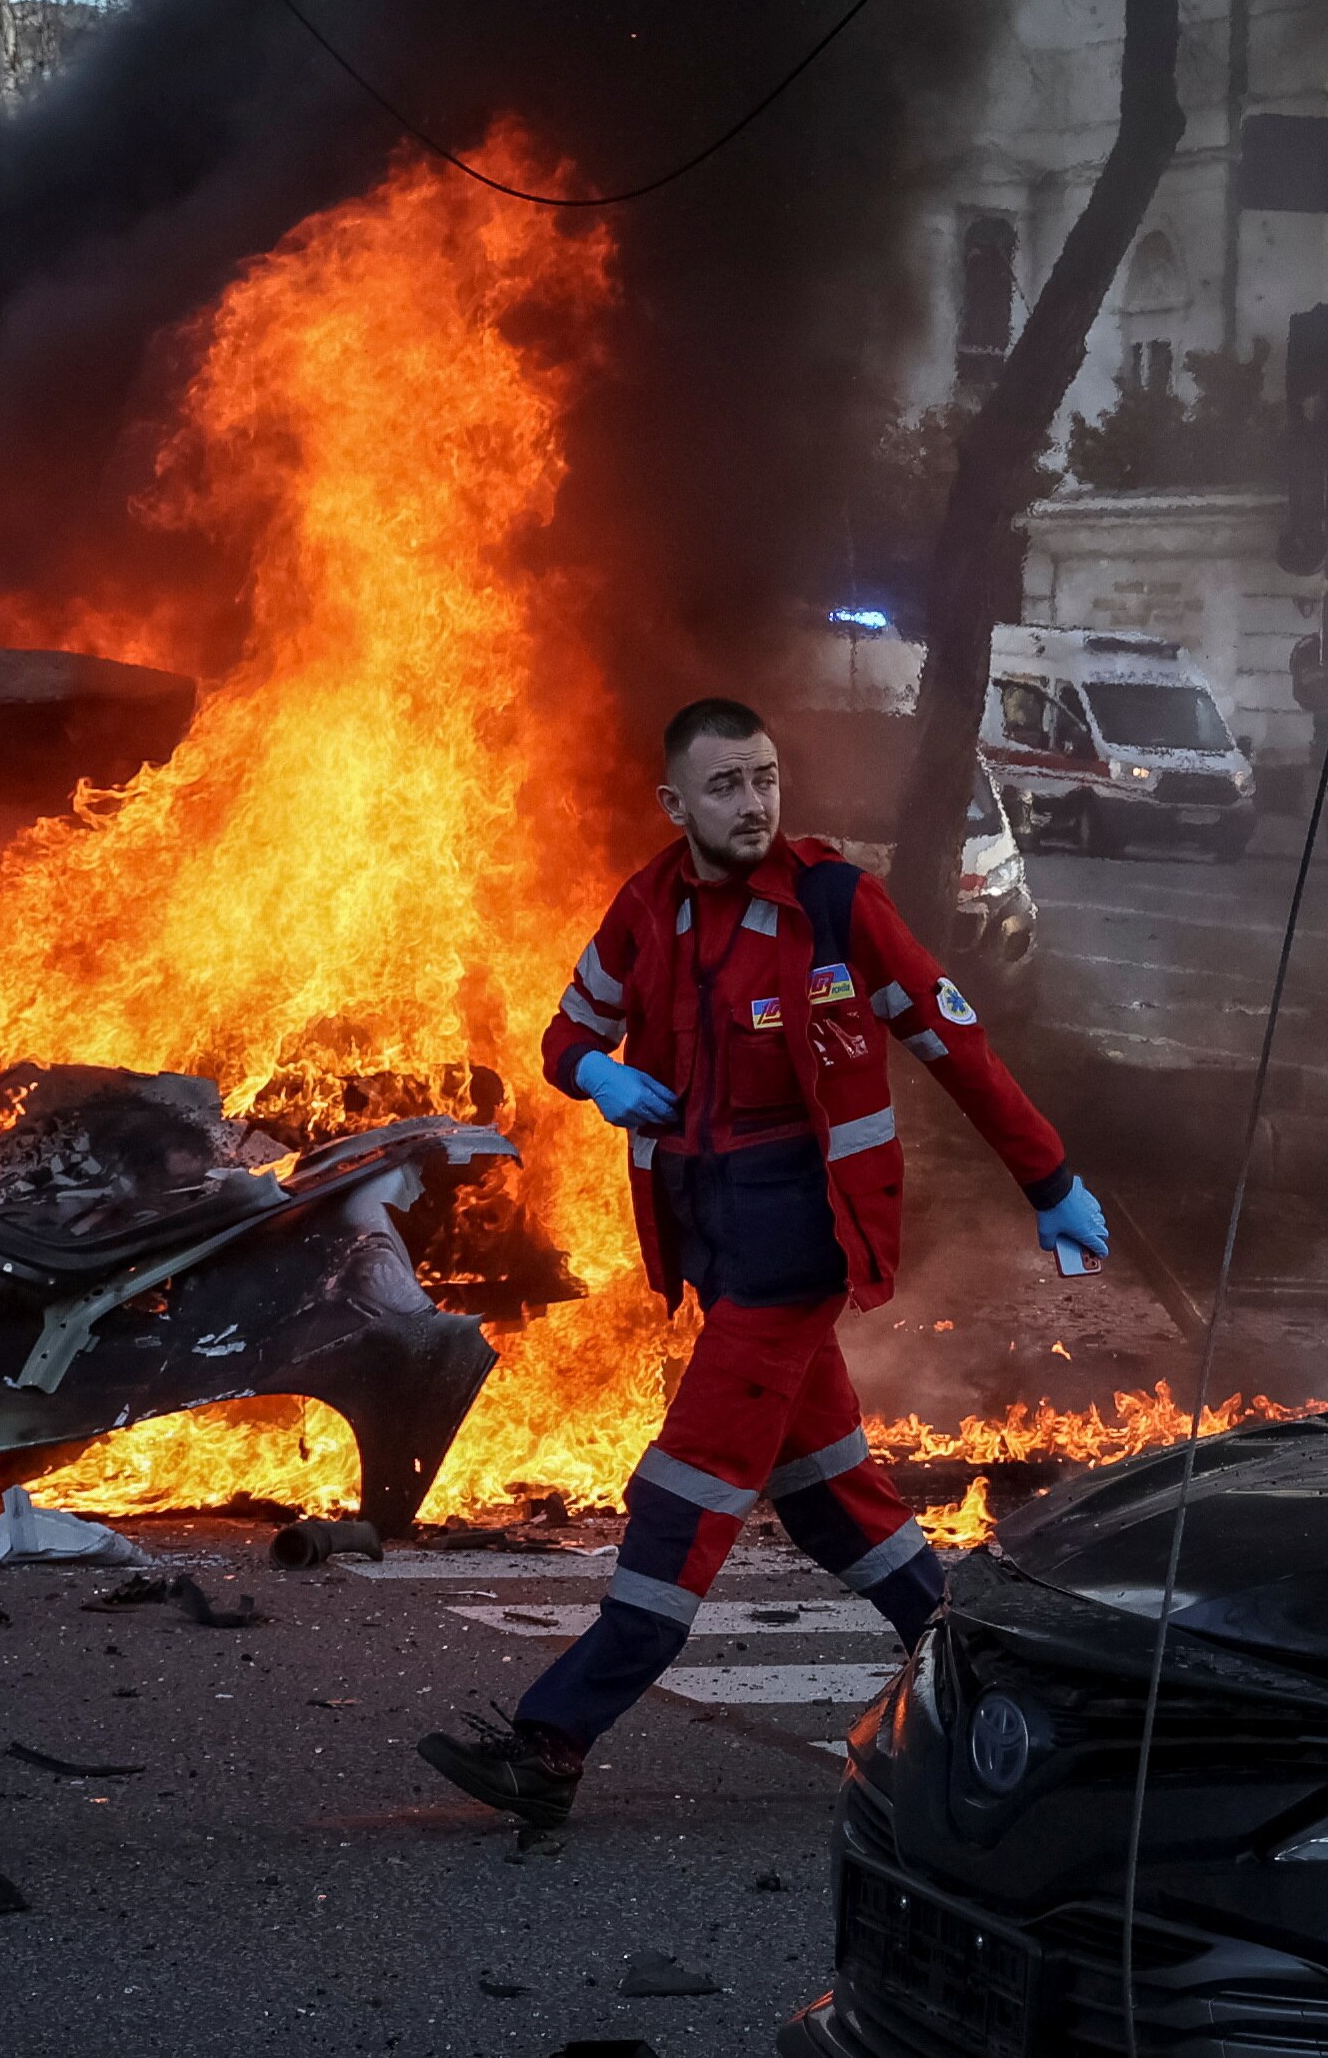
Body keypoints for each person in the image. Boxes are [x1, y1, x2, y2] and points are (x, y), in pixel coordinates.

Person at [417, 697, 1107, 1827]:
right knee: (834, 1494)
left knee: (684, 1490)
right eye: (728, 785)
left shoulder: (836, 905)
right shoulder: (647, 908)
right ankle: (992, 1679)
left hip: (799, 1244)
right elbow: (564, 1035)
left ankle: (552, 1740)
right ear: (675, 803)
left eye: (767, 778)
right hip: (713, 1242)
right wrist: (597, 1076)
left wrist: (1050, 1180)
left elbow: (955, 1042)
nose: (755, 803)